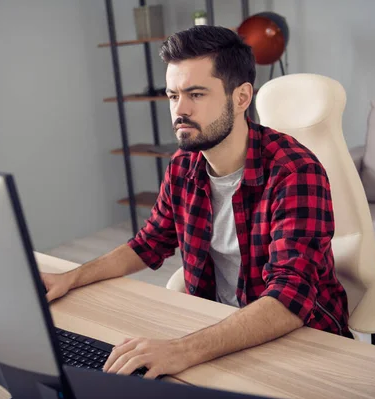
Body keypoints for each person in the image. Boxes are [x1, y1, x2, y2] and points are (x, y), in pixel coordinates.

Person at [41, 25, 350, 379]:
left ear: (241, 97)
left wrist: (182, 350)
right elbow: (148, 244)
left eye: (196, 94)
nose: (179, 110)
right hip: (219, 329)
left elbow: (289, 301)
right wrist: (71, 277)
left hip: (303, 339)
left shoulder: (295, 172)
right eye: (173, 96)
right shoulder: (183, 166)